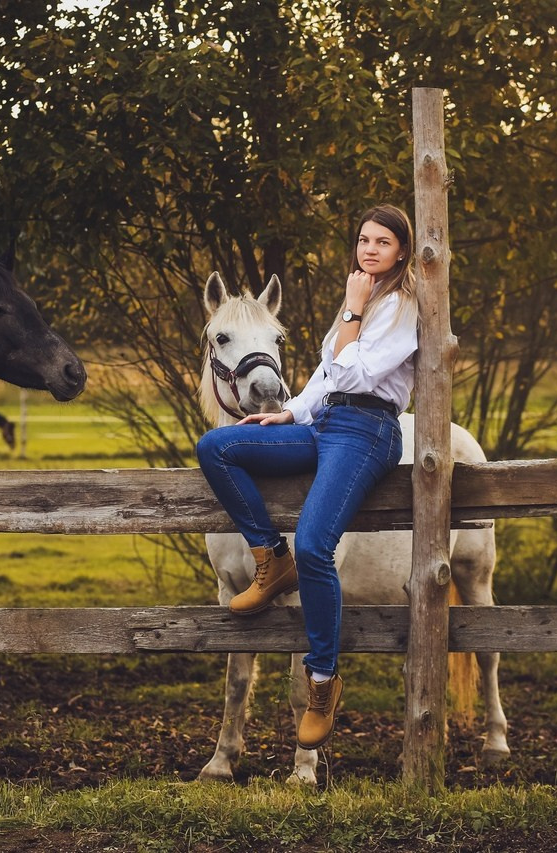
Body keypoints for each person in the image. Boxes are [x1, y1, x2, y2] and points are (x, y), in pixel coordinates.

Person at [195, 203, 419, 750]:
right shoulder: (360, 302)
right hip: (323, 421)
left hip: (367, 431)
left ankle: (322, 681)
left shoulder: (404, 306)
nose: (369, 249)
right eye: (364, 239)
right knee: (218, 446)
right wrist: (288, 412)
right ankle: (271, 558)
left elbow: (356, 372)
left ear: (402, 251)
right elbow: (325, 377)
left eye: (383, 242)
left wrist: (352, 310)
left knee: (317, 545)